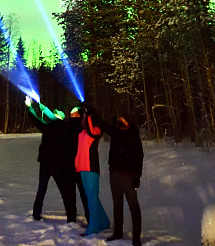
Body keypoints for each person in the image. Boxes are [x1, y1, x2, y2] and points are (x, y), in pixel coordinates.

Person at [92, 112, 144, 245]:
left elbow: (139, 158)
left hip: (129, 176)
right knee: (117, 204)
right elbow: (102, 123)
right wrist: (91, 112)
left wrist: (137, 176)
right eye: (119, 120)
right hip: (114, 174)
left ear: (129, 122)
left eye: (123, 120)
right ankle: (118, 232)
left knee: (133, 206)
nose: (120, 122)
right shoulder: (116, 132)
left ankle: (136, 239)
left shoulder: (134, 137)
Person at [26, 97, 79, 223]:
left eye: (55, 114)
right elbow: (37, 121)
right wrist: (30, 108)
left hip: (53, 164)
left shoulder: (63, 127)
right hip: (52, 163)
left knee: (44, 189)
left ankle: (37, 214)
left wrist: (30, 108)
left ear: (58, 117)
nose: (53, 115)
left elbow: (36, 120)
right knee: (60, 190)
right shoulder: (51, 126)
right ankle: (70, 217)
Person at [76, 104, 110, 236]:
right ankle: (104, 222)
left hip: (91, 168)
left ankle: (94, 227)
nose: (82, 119)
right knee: (92, 197)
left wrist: (89, 114)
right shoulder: (82, 133)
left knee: (92, 198)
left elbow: (91, 130)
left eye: (84, 117)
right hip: (83, 168)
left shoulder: (96, 131)